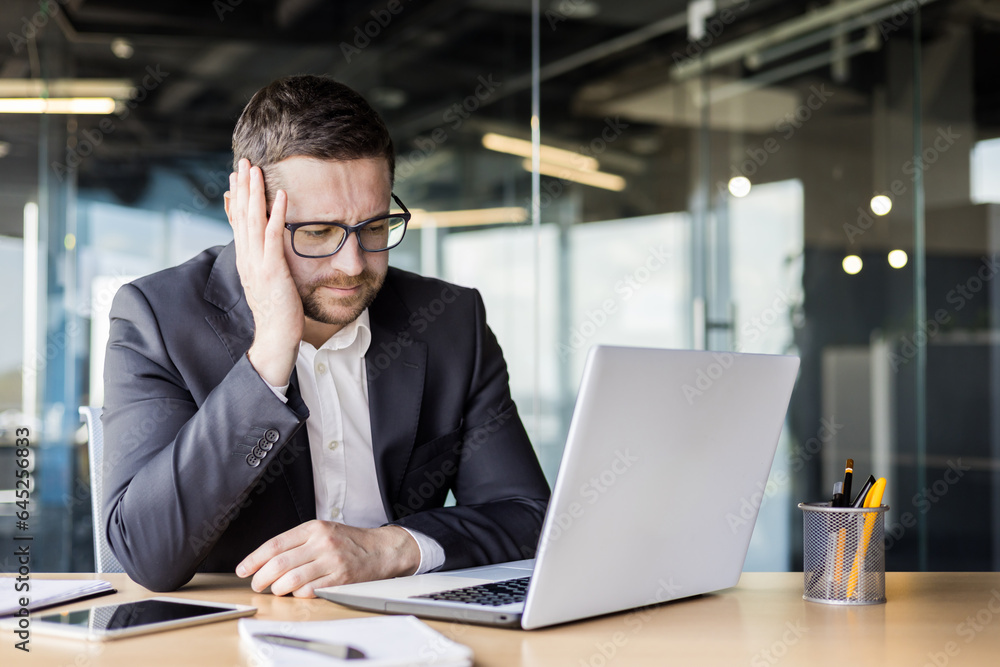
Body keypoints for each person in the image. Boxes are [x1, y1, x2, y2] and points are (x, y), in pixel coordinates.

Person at [101, 74, 550, 596]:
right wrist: (270, 351)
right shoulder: (156, 318)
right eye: (318, 232)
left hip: (411, 629)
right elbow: (144, 553)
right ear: (244, 216)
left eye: (376, 227)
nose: (353, 264)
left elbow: (527, 516)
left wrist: (391, 548)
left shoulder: (450, 319)